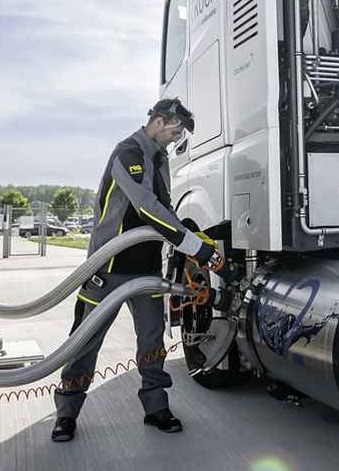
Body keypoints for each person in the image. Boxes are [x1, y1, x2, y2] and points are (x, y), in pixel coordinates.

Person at [51, 98, 226, 442]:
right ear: (159, 121)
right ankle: (66, 413)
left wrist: (197, 238)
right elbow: (147, 209)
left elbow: (164, 210)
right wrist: (195, 248)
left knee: (152, 340)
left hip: (145, 270)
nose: (177, 138)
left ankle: (155, 406)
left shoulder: (159, 160)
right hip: (109, 267)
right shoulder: (128, 153)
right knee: (85, 343)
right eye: (175, 130)